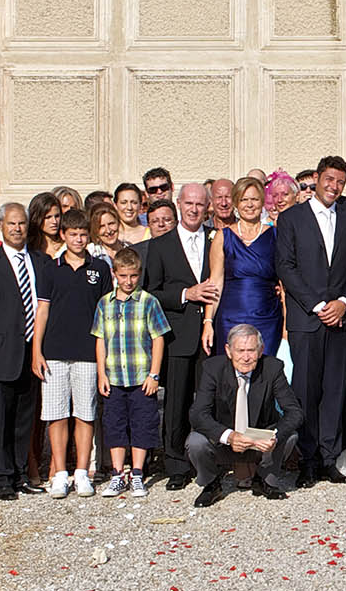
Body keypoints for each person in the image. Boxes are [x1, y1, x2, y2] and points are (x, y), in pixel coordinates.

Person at [274, 155, 346, 488]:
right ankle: (308, 459)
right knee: (306, 390)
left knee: (335, 391)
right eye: (329, 179)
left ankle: (330, 458)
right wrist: (316, 305)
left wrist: (343, 303)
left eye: (340, 181)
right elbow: (285, 267)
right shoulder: (292, 218)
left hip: (339, 321)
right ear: (317, 178)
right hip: (307, 319)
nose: (334, 186)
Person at [144, 184, 218, 491]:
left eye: (200, 204)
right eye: (189, 203)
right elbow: (151, 292)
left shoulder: (216, 238)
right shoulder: (160, 245)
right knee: (174, 403)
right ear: (178, 204)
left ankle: (207, 459)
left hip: (210, 333)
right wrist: (187, 294)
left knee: (206, 400)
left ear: (207, 207)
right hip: (177, 334)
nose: (194, 209)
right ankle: (175, 464)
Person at [0, 204, 45, 501]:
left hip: (31, 351)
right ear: (1, 225)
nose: (17, 229)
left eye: (22, 223)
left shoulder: (40, 261)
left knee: (23, 419)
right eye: (11, 223)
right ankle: (0, 477)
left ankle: (18, 473)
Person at [187, 324, 303, 507]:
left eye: (251, 350)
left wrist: (273, 436)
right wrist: (229, 436)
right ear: (228, 350)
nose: (246, 357)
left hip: (260, 442)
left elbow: (294, 412)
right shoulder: (212, 368)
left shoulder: (272, 368)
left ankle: (265, 480)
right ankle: (211, 484)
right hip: (223, 441)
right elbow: (197, 414)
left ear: (261, 350)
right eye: (240, 350)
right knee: (195, 441)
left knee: (289, 436)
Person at [92, 247, 170, 498]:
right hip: (114, 376)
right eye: (123, 276)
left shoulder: (148, 302)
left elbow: (158, 338)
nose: (128, 281)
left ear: (139, 274)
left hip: (140, 376)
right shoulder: (105, 303)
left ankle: (137, 472)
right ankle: (117, 473)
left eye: (133, 276)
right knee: (114, 424)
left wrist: (154, 374)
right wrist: (102, 374)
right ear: (115, 274)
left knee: (142, 423)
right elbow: (100, 339)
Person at [206, 176, 281, 356]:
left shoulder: (276, 235)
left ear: (262, 202)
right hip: (230, 318)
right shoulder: (223, 237)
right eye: (244, 199)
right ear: (236, 203)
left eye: (254, 199)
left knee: (264, 374)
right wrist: (208, 321)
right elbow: (215, 282)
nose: (249, 204)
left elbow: (284, 280)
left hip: (267, 318)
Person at [28, 191, 64, 258]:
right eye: (48, 217)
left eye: (57, 216)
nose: (54, 222)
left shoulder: (66, 245)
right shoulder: (28, 248)